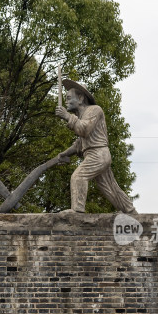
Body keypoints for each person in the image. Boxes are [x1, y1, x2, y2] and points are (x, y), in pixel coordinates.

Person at [55, 79, 137, 214]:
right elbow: (79, 144)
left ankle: (77, 211)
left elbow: (84, 129)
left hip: (98, 154)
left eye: (69, 98)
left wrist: (67, 116)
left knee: (78, 177)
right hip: (96, 155)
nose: (66, 101)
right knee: (110, 188)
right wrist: (65, 154)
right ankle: (130, 211)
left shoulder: (95, 110)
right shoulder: (81, 116)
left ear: (80, 98)